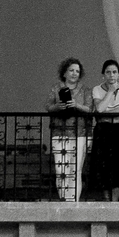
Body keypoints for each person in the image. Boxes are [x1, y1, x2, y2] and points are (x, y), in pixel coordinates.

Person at [46, 57, 94, 201]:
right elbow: (48, 106)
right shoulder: (56, 88)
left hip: (79, 133)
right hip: (59, 132)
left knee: (75, 170)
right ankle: (64, 200)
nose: (74, 73)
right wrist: (57, 106)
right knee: (61, 169)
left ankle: (73, 201)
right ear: (65, 72)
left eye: (77, 71)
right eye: (71, 70)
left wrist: (76, 105)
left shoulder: (85, 90)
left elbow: (89, 108)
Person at [86, 59, 119, 201]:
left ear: (118, 74)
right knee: (102, 166)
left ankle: (115, 201)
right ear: (103, 75)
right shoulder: (97, 89)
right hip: (102, 131)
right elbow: (99, 109)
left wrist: (108, 115)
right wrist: (111, 92)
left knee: (116, 166)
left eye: (114, 72)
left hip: (118, 131)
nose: (111, 75)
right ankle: (106, 199)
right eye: (108, 72)